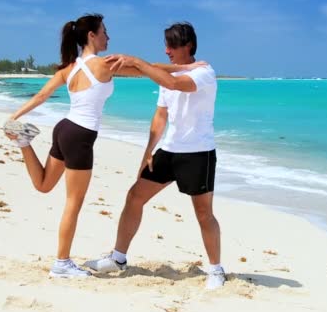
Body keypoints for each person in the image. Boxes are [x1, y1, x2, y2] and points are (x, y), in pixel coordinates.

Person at [3, 14, 203, 278]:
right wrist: (187, 68)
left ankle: (24, 143)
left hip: (64, 129)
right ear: (92, 36)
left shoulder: (69, 67)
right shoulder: (102, 64)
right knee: (73, 203)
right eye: (105, 32)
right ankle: (61, 263)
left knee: (43, 185)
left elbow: (42, 95)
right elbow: (146, 69)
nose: (108, 37)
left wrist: (14, 118)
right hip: (80, 137)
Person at [84, 22, 225, 289]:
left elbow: (174, 82)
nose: (167, 50)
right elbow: (161, 116)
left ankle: (216, 270)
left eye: (172, 45)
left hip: (198, 153)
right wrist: (148, 152)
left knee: (204, 214)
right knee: (134, 196)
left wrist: (137, 61)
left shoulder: (204, 72)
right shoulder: (163, 75)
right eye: (166, 45)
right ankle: (118, 258)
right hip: (169, 150)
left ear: (188, 46)